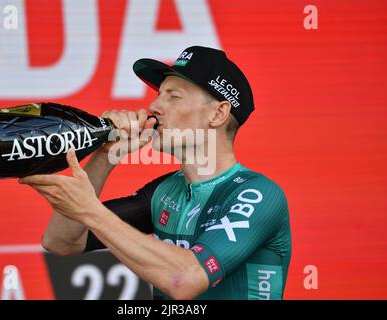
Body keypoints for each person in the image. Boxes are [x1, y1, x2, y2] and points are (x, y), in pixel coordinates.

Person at [19, 46, 292, 300]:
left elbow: (186, 279)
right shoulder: (166, 190)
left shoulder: (258, 194)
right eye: (158, 95)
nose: (153, 107)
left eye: (173, 96)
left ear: (218, 114)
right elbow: (61, 241)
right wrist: (105, 155)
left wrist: (91, 210)